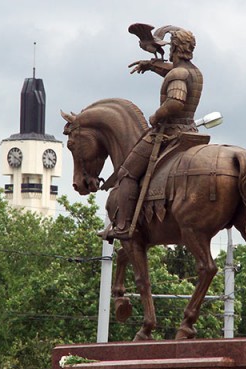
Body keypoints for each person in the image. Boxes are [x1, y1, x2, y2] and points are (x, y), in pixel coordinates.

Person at [100, 28, 203, 241]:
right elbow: (172, 71)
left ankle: (123, 226)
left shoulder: (179, 74)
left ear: (173, 47)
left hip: (170, 131)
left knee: (127, 172)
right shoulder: (194, 72)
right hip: (192, 130)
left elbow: (175, 101)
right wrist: (151, 65)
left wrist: (157, 115)